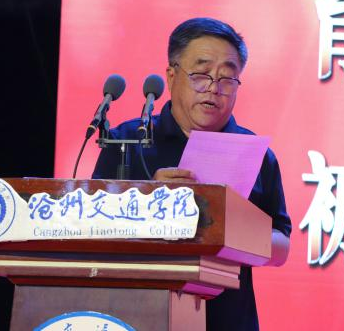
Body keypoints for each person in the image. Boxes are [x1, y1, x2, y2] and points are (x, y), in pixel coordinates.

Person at [92, 17, 291, 331]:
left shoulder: (255, 154)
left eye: (227, 78)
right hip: (136, 316)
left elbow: (281, 248)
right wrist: (146, 199)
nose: (213, 88)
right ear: (171, 76)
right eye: (201, 74)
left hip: (227, 321)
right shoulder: (126, 142)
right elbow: (90, 226)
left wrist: (228, 228)